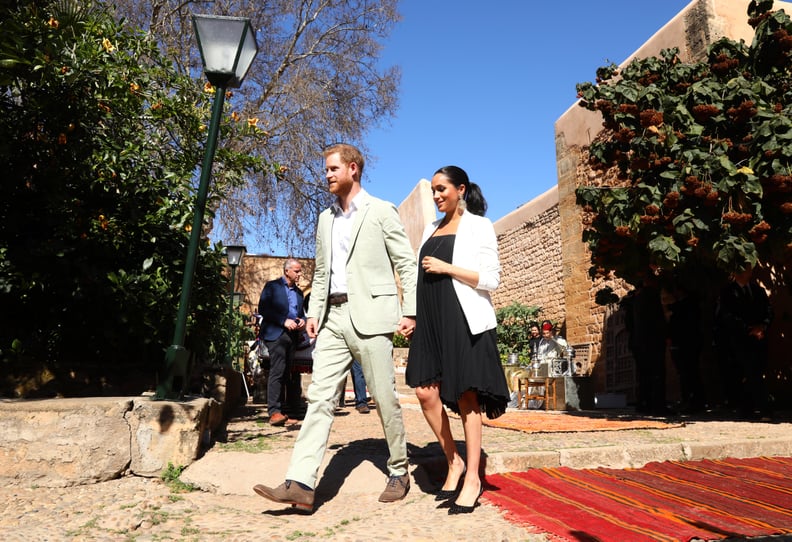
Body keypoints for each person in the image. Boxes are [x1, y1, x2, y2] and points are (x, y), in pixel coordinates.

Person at [253, 143, 417, 512]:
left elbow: (406, 263)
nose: (326, 175)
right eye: (325, 169)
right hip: (332, 320)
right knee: (320, 400)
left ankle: (399, 469)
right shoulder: (325, 218)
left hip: (372, 317)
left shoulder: (381, 211)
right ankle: (301, 483)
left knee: (384, 397)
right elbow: (323, 271)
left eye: (332, 169)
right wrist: (313, 311)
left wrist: (411, 311)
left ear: (353, 169)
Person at [406, 165, 510, 515]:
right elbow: (420, 276)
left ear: (460, 189)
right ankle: (454, 460)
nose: (436, 196)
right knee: (424, 391)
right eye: (433, 190)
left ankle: (473, 479)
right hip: (431, 321)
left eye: (442, 189)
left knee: (467, 397)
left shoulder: (479, 225)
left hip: (463, 319)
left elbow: (491, 279)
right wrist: (414, 317)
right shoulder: (430, 228)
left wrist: (448, 268)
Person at [714, 265, 773, 419]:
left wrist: (763, 327)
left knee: (755, 372)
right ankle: (763, 409)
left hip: (758, 339)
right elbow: (726, 316)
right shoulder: (727, 292)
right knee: (750, 373)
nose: (746, 272)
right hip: (739, 340)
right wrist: (748, 329)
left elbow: (768, 311)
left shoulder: (757, 291)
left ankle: (747, 408)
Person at [257, 258, 306, 426]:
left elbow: (300, 313)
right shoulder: (272, 287)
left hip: (292, 336)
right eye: (297, 271)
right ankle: (274, 412)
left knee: (286, 373)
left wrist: (302, 321)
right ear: (287, 271)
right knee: (277, 371)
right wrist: (283, 320)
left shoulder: (299, 294)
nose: (300, 274)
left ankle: (283, 412)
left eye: (300, 271)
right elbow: (263, 309)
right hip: (276, 333)